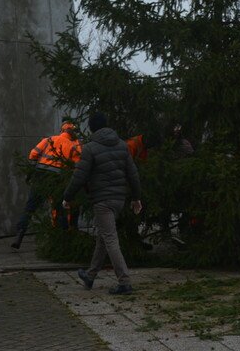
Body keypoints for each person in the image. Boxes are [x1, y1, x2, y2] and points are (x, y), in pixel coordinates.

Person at [62, 113, 142, 295]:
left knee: (110, 239)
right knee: (103, 237)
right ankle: (90, 275)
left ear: (91, 128)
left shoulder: (90, 148)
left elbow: (79, 176)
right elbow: (133, 174)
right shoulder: (122, 145)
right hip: (119, 200)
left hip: (102, 201)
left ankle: (124, 282)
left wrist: (67, 197)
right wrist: (136, 198)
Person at [12, 120, 81, 249]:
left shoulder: (49, 139)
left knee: (30, 207)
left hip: (40, 176)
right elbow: (76, 166)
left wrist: (32, 172)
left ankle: (19, 235)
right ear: (73, 134)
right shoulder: (73, 146)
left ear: (62, 131)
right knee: (59, 208)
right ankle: (62, 240)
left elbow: (33, 154)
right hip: (57, 180)